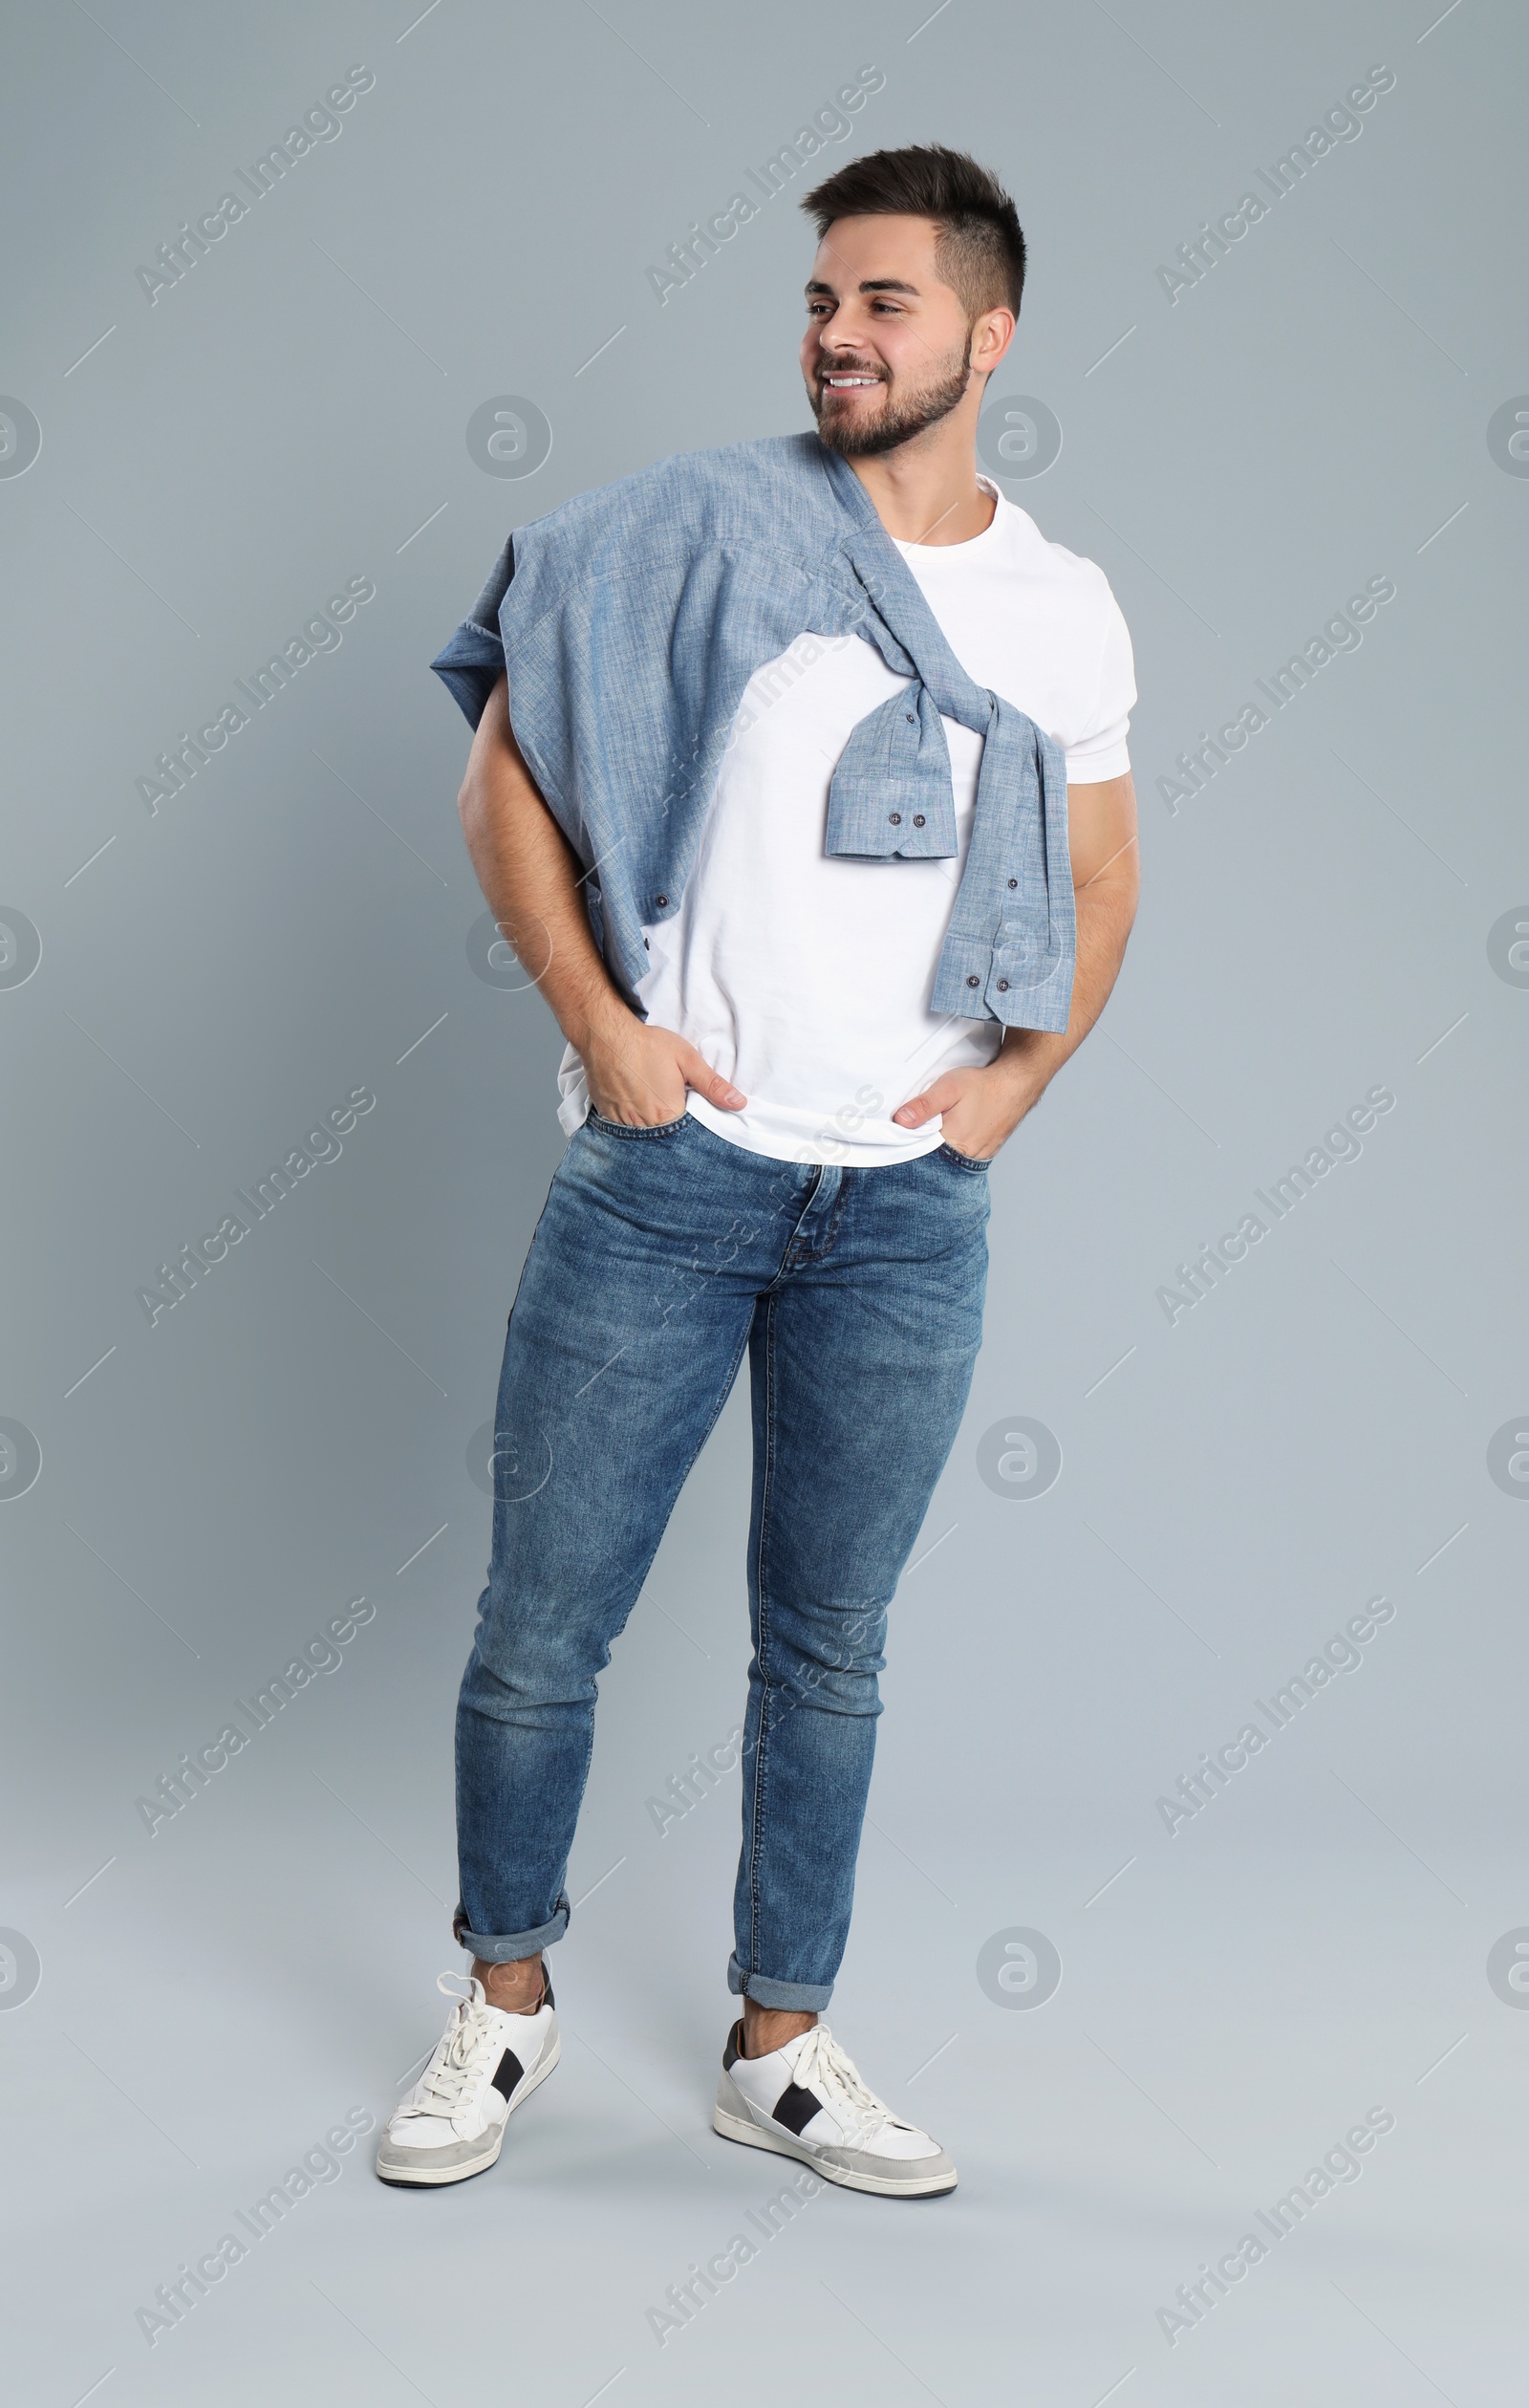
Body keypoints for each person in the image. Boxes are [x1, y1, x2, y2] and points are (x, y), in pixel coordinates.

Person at [377, 144, 1139, 2199]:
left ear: (986, 338)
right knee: (544, 1626)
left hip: (898, 1214)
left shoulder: (1058, 611)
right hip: (669, 1178)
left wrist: (993, 1105)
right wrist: (606, 1040)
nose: (834, 335)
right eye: (818, 298)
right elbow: (499, 781)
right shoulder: (690, 531)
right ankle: (502, 2005)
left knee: (830, 1644)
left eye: (881, 303)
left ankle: (778, 2044)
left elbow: (1095, 880)